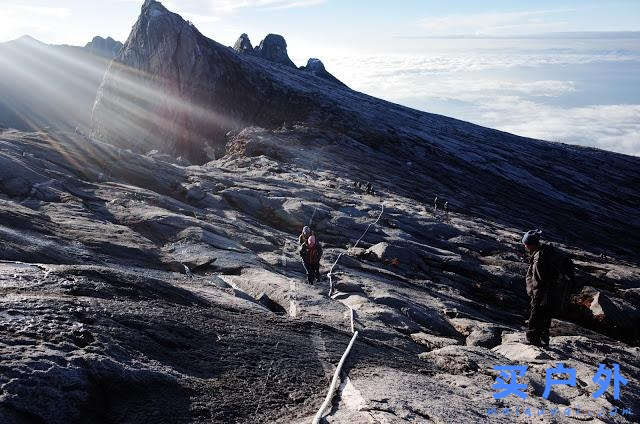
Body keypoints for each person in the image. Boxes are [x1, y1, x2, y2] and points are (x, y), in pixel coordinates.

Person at [522, 229, 573, 347]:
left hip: (542, 292)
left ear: (530, 244)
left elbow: (539, 279)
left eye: (525, 244)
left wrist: (535, 294)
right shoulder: (545, 252)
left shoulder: (539, 258)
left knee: (536, 314)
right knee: (546, 315)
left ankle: (532, 339)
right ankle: (544, 339)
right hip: (552, 291)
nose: (524, 246)